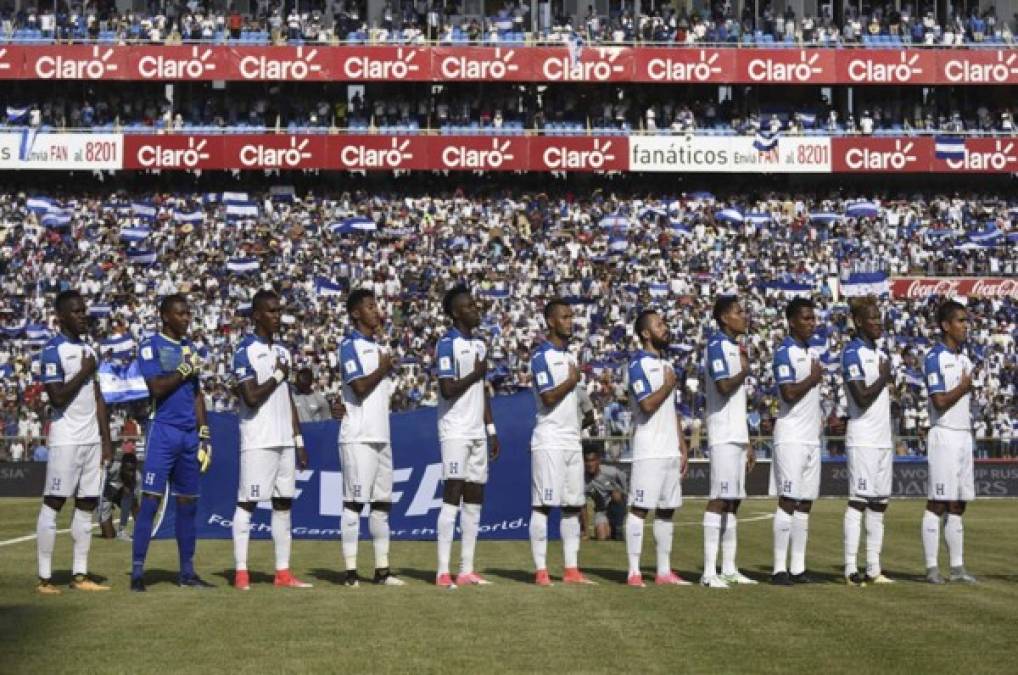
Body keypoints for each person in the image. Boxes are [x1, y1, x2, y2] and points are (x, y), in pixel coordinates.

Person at [231, 289, 312, 591]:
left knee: (283, 504)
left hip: (284, 442)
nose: (277, 316)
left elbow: (285, 397)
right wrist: (278, 376)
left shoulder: (283, 353)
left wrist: (298, 439)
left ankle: (282, 572)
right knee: (248, 503)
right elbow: (250, 397)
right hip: (258, 440)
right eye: (272, 311)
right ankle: (241, 572)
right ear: (256, 315)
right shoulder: (244, 350)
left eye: (279, 311)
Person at [131, 294, 213, 592]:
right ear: (165, 316)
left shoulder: (189, 348)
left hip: (189, 436)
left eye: (188, 313)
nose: (186, 318)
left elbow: (197, 394)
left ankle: (187, 573)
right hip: (162, 431)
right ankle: (137, 573)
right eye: (180, 314)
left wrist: (204, 434)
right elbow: (156, 388)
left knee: (188, 504)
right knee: (151, 500)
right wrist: (182, 370)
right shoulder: (150, 345)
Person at [36, 290, 113, 594]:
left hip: (91, 439)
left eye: (84, 311)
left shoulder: (90, 351)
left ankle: (80, 575)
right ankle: (44, 578)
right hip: (66, 439)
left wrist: (106, 439)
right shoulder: (52, 350)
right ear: (62, 316)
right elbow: (56, 397)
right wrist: (83, 371)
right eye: (78, 312)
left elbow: (98, 398)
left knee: (87, 504)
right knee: (54, 503)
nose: (84, 316)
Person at [434, 285, 500, 588]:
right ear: (456, 312)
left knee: (475, 498)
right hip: (455, 430)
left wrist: (491, 429)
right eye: (470, 306)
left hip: (476, 431)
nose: (477, 310)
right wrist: (476, 373)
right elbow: (447, 389)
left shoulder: (479, 346)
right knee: (453, 495)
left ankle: (467, 569)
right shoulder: (446, 344)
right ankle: (442, 571)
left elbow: (481, 391)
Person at [338, 289, 405, 587]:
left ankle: (382, 570)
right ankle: (351, 573)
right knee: (354, 504)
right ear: (355, 314)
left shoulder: (379, 348)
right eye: (370, 306)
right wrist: (383, 367)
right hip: (358, 437)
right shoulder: (349, 346)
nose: (376, 311)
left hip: (381, 435)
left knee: (382, 505)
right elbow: (361, 387)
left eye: (376, 305)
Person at [528, 299, 595, 586]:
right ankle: (541, 570)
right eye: (565, 317)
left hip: (571, 440)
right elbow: (548, 397)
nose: (571, 321)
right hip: (550, 439)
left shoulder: (569, 358)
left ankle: (571, 569)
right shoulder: (541, 357)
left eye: (571, 316)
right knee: (543, 505)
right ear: (551, 321)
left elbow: (577, 404)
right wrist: (571, 381)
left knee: (572, 505)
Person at [624, 309, 689, 588]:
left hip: (669, 450)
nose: (665, 328)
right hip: (648, 448)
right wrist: (666, 386)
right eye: (659, 325)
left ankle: (663, 572)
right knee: (640, 509)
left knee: (667, 510)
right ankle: (634, 571)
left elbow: (670, 410)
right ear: (645, 333)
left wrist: (682, 444)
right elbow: (647, 405)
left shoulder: (667, 365)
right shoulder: (638, 364)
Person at [701, 296, 757, 589]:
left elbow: (738, 401)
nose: (743, 316)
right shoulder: (717, 346)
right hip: (722, 433)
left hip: (736, 434)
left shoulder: (736, 348)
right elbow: (723, 386)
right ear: (724, 318)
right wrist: (744, 370)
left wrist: (747, 441)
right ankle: (709, 572)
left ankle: (730, 567)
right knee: (719, 499)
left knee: (734, 503)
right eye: (738, 312)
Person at [841, 296, 895, 586]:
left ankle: (874, 567)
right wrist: (884, 377)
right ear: (859, 322)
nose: (878, 322)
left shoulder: (879, 353)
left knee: (879, 504)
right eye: (872, 318)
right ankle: (850, 567)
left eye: (879, 317)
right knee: (858, 502)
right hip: (862, 438)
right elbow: (861, 397)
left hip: (882, 439)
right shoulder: (852, 353)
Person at [770, 297, 824, 586]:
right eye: (805, 318)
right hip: (791, 436)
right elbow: (788, 393)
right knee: (788, 500)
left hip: (811, 438)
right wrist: (813, 379)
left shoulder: (811, 352)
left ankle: (798, 567)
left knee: (805, 504)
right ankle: (779, 569)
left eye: (813, 318)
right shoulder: (784, 352)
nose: (811, 323)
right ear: (792, 321)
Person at [922, 300, 977, 584]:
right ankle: (932, 567)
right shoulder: (934, 358)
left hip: (963, 435)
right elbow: (940, 400)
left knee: (958, 504)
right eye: (960, 321)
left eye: (966, 321)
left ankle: (957, 568)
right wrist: (963, 387)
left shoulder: (965, 359)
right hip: (943, 434)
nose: (965, 326)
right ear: (946, 325)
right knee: (938, 502)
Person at [582, 446, 627, 540]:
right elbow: (583, 506)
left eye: (593, 460)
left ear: (598, 461)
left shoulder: (611, 472)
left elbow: (624, 483)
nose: (590, 464)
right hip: (601, 511)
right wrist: (586, 532)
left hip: (616, 507)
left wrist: (622, 495)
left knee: (616, 495)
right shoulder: (582, 480)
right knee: (602, 537)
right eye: (587, 461)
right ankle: (610, 529)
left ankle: (618, 526)